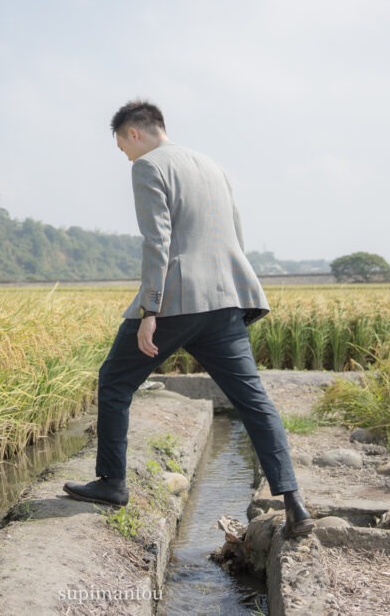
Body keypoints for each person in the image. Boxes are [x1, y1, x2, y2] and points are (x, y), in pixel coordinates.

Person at [63, 100, 314, 539]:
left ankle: (112, 483)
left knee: (115, 380)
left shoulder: (147, 167)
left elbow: (156, 242)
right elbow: (235, 233)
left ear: (134, 133)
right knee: (253, 400)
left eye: (121, 145)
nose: (124, 154)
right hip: (226, 300)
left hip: (177, 302)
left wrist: (150, 311)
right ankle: (294, 501)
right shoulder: (211, 165)